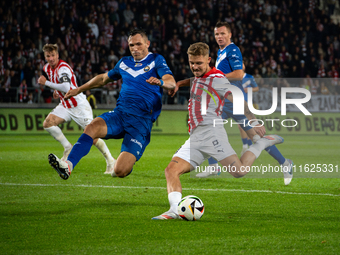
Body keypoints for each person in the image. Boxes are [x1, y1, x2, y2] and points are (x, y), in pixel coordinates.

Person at [152, 42, 284, 220]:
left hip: (213, 134)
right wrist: (179, 84)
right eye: (192, 63)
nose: (195, 67)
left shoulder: (218, 78)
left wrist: (253, 119)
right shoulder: (200, 76)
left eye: (199, 63)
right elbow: (194, 80)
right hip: (195, 137)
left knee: (239, 172)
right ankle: (174, 210)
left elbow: (237, 98)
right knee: (171, 170)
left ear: (208, 60)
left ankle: (260, 143)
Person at [47, 29, 176, 180]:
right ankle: (68, 165)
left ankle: (118, 166)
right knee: (92, 126)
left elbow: (171, 82)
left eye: (139, 44)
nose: (135, 49)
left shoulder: (156, 60)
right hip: (120, 114)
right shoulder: (124, 63)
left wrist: (160, 82)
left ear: (147, 43)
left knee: (121, 170)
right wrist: (79, 89)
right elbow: (103, 79)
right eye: (131, 45)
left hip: (140, 122)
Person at [197, 22, 293, 185]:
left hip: (233, 102)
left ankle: (285, 163)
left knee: (212, 130)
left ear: (230, 35)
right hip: (226, 102)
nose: (219, 37)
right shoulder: (221, 52)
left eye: (222, 33)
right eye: (217, 34)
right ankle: (284, 162)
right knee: (209, 129)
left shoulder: (232, 50)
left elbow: (239, 74)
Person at [38, 44, 116, 175]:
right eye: (48, 56)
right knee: (48, 123)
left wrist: (46, 83)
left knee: (93, 136)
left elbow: (66, 86)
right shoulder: (47, 68)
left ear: (57, 55)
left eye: (53, 55)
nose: (51, 58)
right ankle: (68, 147)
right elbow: (60, 86)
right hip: (65, 105)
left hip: (79, 106)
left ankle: (110, 161)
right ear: (45, 57)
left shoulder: (63, 68)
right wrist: (56, 91)